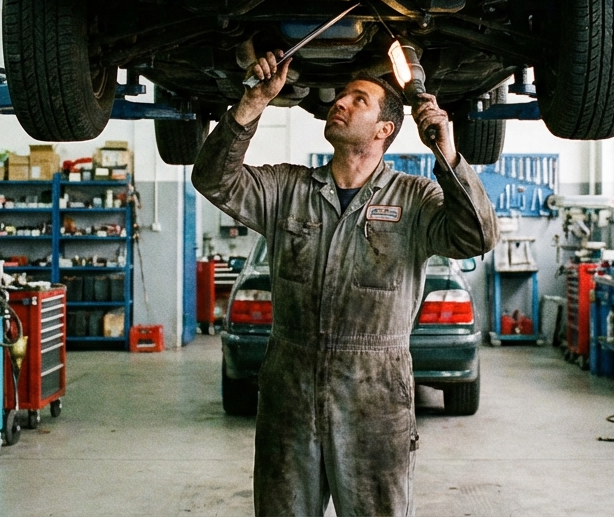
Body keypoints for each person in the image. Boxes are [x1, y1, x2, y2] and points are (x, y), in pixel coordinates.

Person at [192, 50, 498, 517]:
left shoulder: (414, 198)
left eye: (359, 99)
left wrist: (447, 154)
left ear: (384, 130)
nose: (340, 102)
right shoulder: (286, 189)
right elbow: (214, 179)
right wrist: (252, 104)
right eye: (342, 95)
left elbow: (476, 235)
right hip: (289, 387)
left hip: (375, 392)